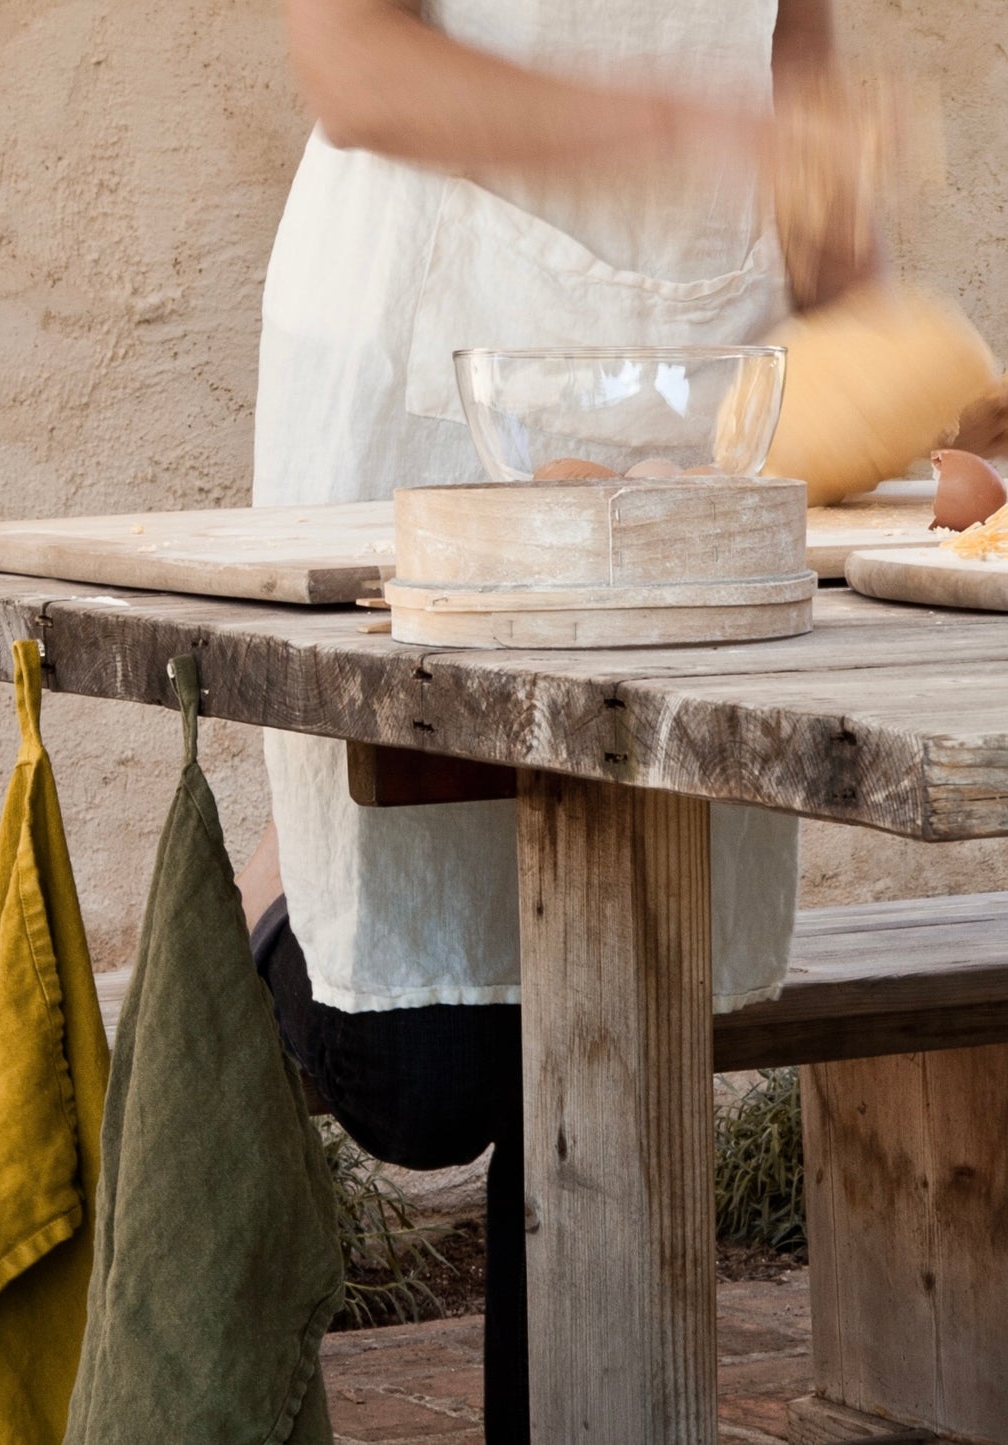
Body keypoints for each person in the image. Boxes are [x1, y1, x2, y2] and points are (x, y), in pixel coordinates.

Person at [240, 1, 873, 1439]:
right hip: (429, 359)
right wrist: (661, 129)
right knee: (425, 1071)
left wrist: (861, 309)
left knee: (608, 1021)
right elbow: (352, 65)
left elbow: (799, 60)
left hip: (697, 377)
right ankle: (284, 880)